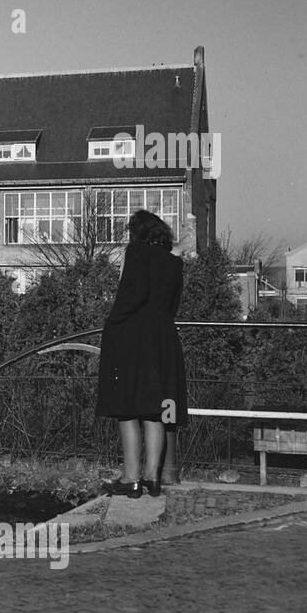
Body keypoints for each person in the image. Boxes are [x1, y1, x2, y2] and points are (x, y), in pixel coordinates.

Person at [95, 210, 189, 498]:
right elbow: (173, 304)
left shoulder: (136, 253)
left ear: (137, 233)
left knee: (127, 408)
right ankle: (152, 479)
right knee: (156, 410)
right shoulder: (175, 263)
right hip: (163, 338)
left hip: (133, 336)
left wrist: (111, 323)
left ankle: (131, 478)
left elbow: (130, 295)